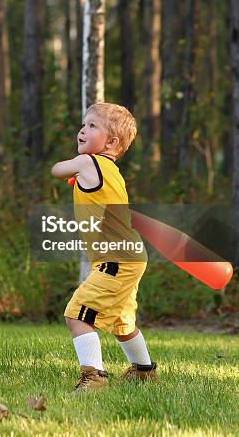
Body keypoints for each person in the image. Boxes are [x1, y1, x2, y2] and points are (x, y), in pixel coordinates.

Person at [51, 102, 157, 392]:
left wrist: (71, 168)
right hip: (132, 256)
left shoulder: (86, 163)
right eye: (83, 124)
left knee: (77, 314)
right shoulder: (111, 171)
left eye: (92, 126)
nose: (82, 130)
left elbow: (56, 169)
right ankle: (144, 372)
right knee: (123, 320)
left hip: (115, 260)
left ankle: (94, 377)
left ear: (111, 142)